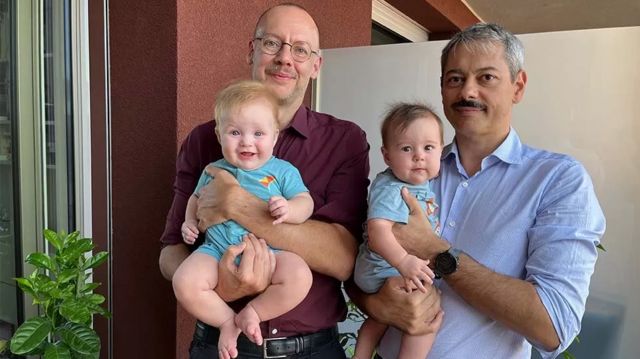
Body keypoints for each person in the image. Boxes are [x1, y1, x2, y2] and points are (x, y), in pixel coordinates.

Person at [356, 23, 606, 359]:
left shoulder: (558, 180)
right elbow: (360, 269)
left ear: (518, 86)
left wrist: (436, 250)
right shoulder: (408, 172)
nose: (467, 92)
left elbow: (553, 325)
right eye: (455, 79)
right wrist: (376, 303)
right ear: (442, 89)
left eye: (486, 78)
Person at [158, 3, 381, 358]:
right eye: (273, 44)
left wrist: (240, 206)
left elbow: (343, 260)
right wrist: (223, 283)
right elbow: (171, 253)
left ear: (316, 65)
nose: (285, 59)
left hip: (311, 350)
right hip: (218, 344)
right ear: (252, 50)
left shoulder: (344, 141)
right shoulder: (204, 140)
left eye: (300, 49)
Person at [172, 80, 315, 359]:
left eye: (258, 133)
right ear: (219, 134)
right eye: (235, 132)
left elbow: (305, 202)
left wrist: (289, 208)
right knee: (184, 281)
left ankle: (253, 312)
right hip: (216, 251)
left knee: (299, 275)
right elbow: (195, 199)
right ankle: (227, 321)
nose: (247, 141)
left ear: (275, 136)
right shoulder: (213, 170)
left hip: (269, 250)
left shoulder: (282, 171)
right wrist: (189, 223)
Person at [352, 103, 443, 359]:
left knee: (381, 316)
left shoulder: (419, 185)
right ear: (387, 155)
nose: (419, 156)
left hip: (386, 267)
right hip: (384, 267)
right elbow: (377, 231)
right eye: (406, 148)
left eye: (428, 148)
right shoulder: (393, 188)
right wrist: (404, 261)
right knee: (428, 311)